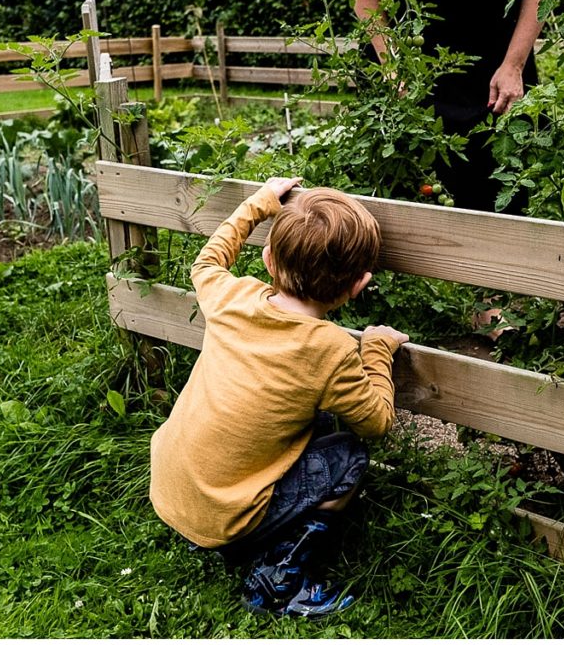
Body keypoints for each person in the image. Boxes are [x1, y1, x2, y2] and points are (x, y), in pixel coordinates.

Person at [149, 176, 409, 617]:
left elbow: (207, 261)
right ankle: (276, 578)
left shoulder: (232, 297)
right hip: (226, 515)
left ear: (268, 260)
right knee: (349, 455)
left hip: (173, 491)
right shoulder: (330, 349)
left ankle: (214, 535)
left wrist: (261, 202)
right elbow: (378, 421)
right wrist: (377, 349)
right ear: (358, 285)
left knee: (318, 424)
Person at [348, 0, 546, 339]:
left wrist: (514, 64)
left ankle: (497, 300)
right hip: (410, 60)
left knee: (500, 176)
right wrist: (391, 64)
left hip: (496, 60)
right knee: (396, 178)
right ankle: (384, 300)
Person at [347, 0, 546, 215]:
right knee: (400, 202)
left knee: (497, 200)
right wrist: (392, 65)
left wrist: (514, 65)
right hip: (403, 71)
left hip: (494, 76)